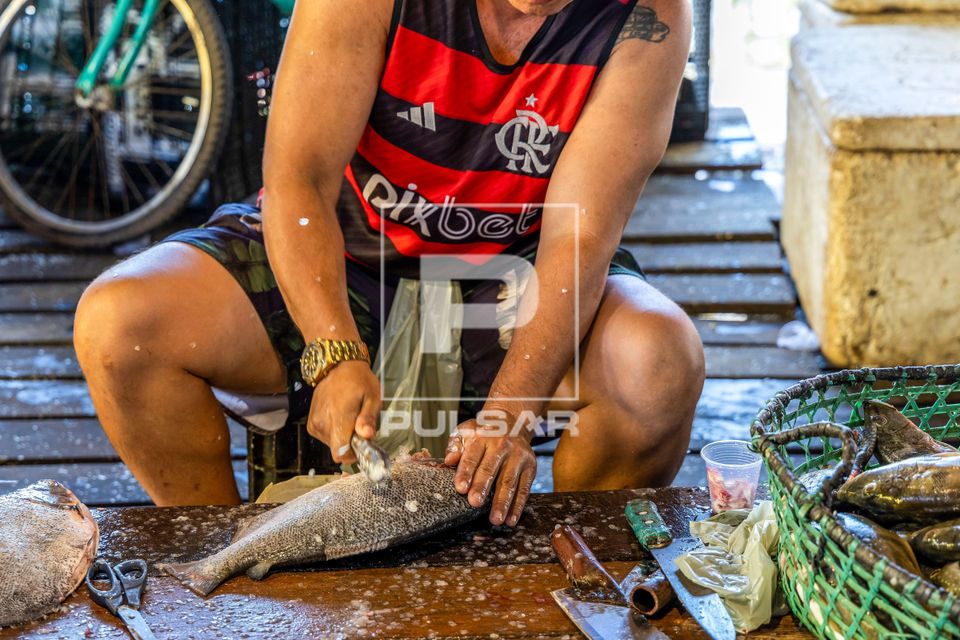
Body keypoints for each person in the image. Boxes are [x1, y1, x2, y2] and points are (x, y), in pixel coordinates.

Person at [74, 0, 705, 526]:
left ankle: (555, 573)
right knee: (120, 325)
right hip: (342, 252)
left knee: (657, 364)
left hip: (516, 269)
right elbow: (299, 181)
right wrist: (332, 350)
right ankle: (218, 558)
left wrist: (511, 413)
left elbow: (579, 240)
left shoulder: (650, 16)